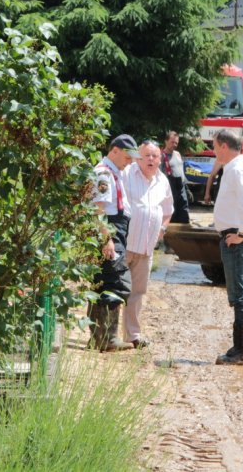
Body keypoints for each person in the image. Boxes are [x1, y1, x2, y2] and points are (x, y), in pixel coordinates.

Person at [88, 134, 141, 351]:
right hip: (109, 230)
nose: (129, 162)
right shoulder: (103, 172)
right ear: (115, 151)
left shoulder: (114, 172)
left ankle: (99, 338)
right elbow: (98, 209)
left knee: (104, 281)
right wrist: (106, 238)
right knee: (115, 282)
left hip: (115, 230)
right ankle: (108, 338)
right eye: (127, 157)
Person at [212, 129, 243, 365]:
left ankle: (241, 351)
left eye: (214, 146)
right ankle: (241, 348)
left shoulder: (237, 169)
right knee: (237, 294)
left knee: (238, 295)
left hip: (235, 238)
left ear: (223, 146)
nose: (213, 151)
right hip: (234, 235)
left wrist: (241, 233)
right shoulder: (238, 168)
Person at [122, 140, 174, 348]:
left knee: (138, 292)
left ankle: (132, 335)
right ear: (138, 157)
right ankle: (105, 334)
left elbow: (168, 210)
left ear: (160, 159)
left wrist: (163, 228)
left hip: (146, 248)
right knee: (115, 289)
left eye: (155, 156)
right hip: (124, 244)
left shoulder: (163, 181)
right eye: (147, 155)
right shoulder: (127, 174)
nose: (151, 159)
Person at [160, 131, 190, 223]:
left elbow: (181, 171)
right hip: (170, 187)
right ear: (166, 141)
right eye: (172, 142)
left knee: (184, 212)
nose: (174, 144)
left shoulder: (177, 154)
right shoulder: (161, 156)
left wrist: (187, 188)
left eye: (176, 143)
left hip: (181, 186)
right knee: (171, 212)